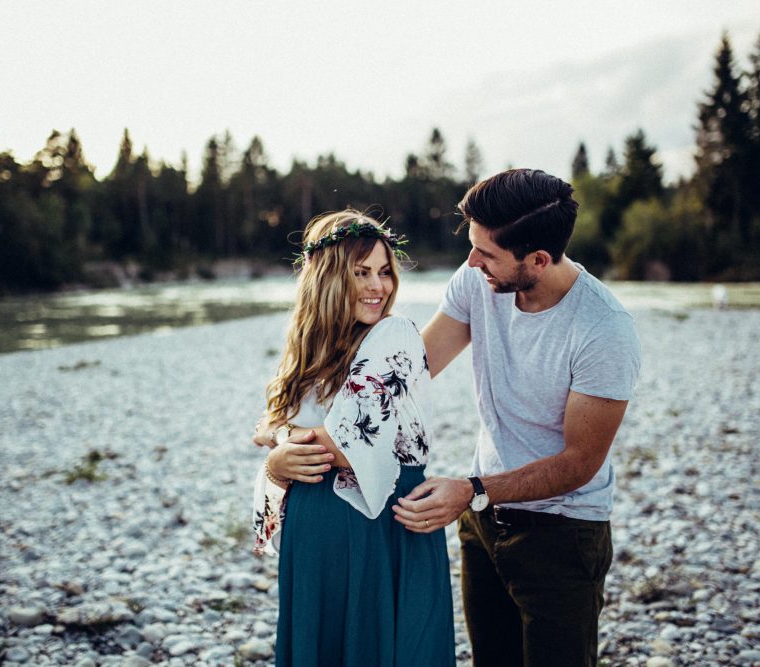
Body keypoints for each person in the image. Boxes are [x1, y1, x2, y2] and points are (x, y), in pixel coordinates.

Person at [271, 169, 641, 667]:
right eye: (472, 246)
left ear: (537, 259)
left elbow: (581, 463)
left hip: (562, 532)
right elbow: (400, 376)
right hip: (482, 521)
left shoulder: (603, 330)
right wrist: (279, 430)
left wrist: (469, 489)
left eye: (486, 254)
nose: (470, 262)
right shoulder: (476, 280)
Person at [251, 210, 455, 667]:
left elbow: (347, 444)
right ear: (325, 277)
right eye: (361, 272)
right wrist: (275, 459)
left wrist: (278, 439)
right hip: (316, 533)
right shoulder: (309, 352)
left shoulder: (394, 335)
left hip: (385, 526)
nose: (377, 286)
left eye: (384, 272)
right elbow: (278, 433)